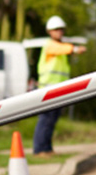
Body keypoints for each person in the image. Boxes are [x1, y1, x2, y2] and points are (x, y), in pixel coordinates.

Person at [33, 16, 86, 156]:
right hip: (47, 90)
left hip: (58, 91)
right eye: (56, 29)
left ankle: (47, 148)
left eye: (61, 29)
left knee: (52, 120)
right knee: (45, 119)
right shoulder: (50, 45)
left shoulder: (60, 49)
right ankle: (39, 149)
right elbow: (62, 49)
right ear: (49, 31)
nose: (59, 32)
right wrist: (75, 49)